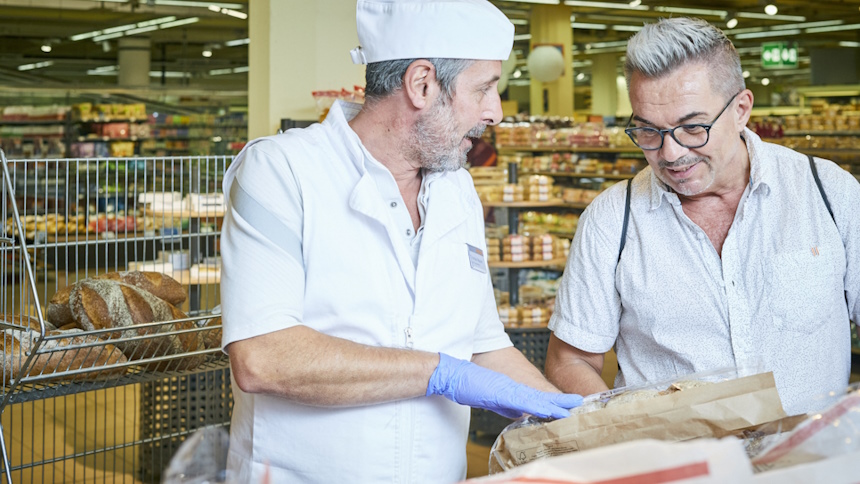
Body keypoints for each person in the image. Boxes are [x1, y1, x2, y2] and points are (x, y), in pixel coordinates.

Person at [219, 1, 583, 482]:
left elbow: (482, 347)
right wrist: (438, 372)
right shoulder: (282, 172)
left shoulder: (457, 190)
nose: (494, 112)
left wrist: (568, 424)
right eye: (484, 89)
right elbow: (264, 358)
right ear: (422, 84)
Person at [545, 17, 860, 417]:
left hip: (812, 468)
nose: (671, 154)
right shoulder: (612, 220)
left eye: (693, 128)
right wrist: (628, 430)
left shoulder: (828, 193)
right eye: (648, 132)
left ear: (742, 109)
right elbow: (570, 360)